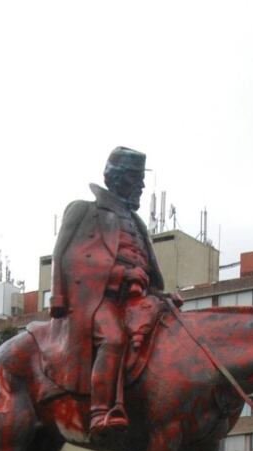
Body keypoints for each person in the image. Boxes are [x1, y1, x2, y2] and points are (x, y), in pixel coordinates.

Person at [50, 146, 180, 435]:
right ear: (118, 178)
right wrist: (120, 274)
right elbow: (68, 258)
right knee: (113, 338)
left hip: (137, 299)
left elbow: (146, 269)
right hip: (99, 299)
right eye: (137, 178)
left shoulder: (138, 223)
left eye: (141, 179)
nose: (142, 186)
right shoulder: (85, 211)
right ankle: (100, 411)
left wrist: (161, 295)